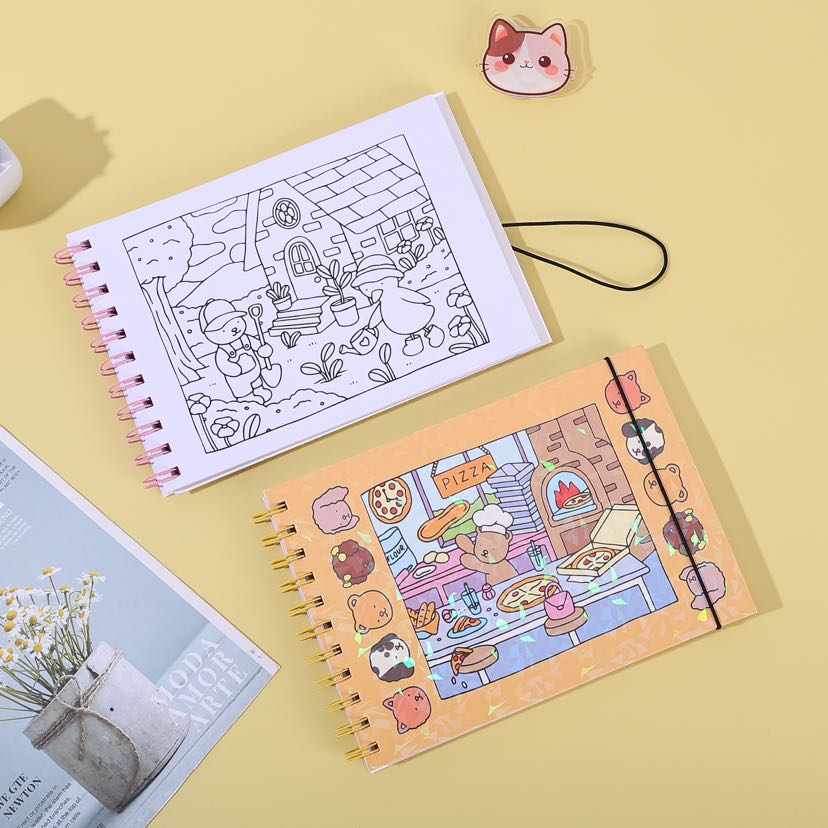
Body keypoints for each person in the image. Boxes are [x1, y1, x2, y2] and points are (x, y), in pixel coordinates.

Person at [351, 254, 444, 356]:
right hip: (399, 324)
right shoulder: (382, 302)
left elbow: (411, 295)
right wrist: (371, 325)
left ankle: (433, 333)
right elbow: (378, 314)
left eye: (381, 283)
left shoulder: (398, 292)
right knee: (409, 330)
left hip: (415, 314)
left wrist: (423, 300)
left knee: (419, 324)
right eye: (367, 289)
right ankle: (414, 344)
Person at [198, 299, 275, 403]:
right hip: (238, 380)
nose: (233, 329)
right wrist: (233, 369)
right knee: (242, 389)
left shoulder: (246, 338)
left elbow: (258, 345)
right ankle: (246, 398)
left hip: (255, 372)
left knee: (257, 382)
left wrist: (264, 349)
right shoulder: (223, 350)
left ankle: (259, 389)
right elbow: (222, 363)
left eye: (237, 321)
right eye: (223, 329)